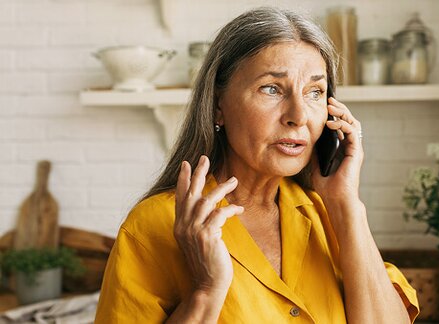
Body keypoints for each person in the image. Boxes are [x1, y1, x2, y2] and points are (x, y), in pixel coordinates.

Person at [95, 7, 419, 323]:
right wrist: (206, 292)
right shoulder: (154, 226)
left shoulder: (328, 215)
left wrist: (346, 203)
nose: (299, 115)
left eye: (315, 92)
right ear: (218, 105)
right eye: (271, 88)